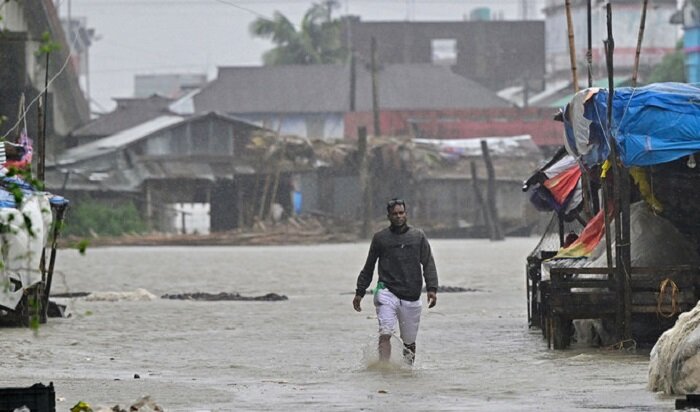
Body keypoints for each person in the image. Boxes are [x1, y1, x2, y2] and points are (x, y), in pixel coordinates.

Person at [352, 198, 438, 365]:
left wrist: (432, 288)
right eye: (395, 214)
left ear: (406, 214)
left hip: (411, 295)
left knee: (409, 342)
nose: (398, 216)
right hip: (386, 291)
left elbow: (428, 263)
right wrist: (359, 292)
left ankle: (407, 372)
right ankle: (384, 369)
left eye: (401, 213)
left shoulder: (417, 237)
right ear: (389, 216)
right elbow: (369, 266)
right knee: (385, 332)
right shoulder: (380, 238)